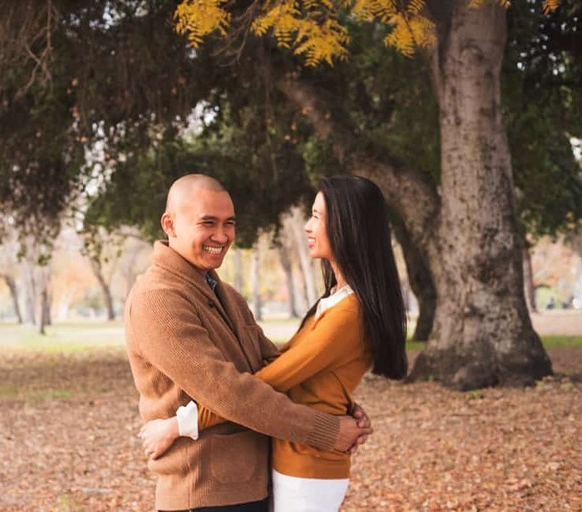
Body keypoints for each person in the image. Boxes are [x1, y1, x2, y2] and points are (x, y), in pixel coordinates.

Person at [139, 175, 408, 511]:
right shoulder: (160, 299)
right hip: (205, 492)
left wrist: (336, 402)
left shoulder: (226, 295)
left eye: (229, 223)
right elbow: (232, 393)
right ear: (170, 224)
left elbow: (273, 368)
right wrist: (328, 426)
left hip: (253, 483)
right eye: (208, 223)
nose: (221, 236)